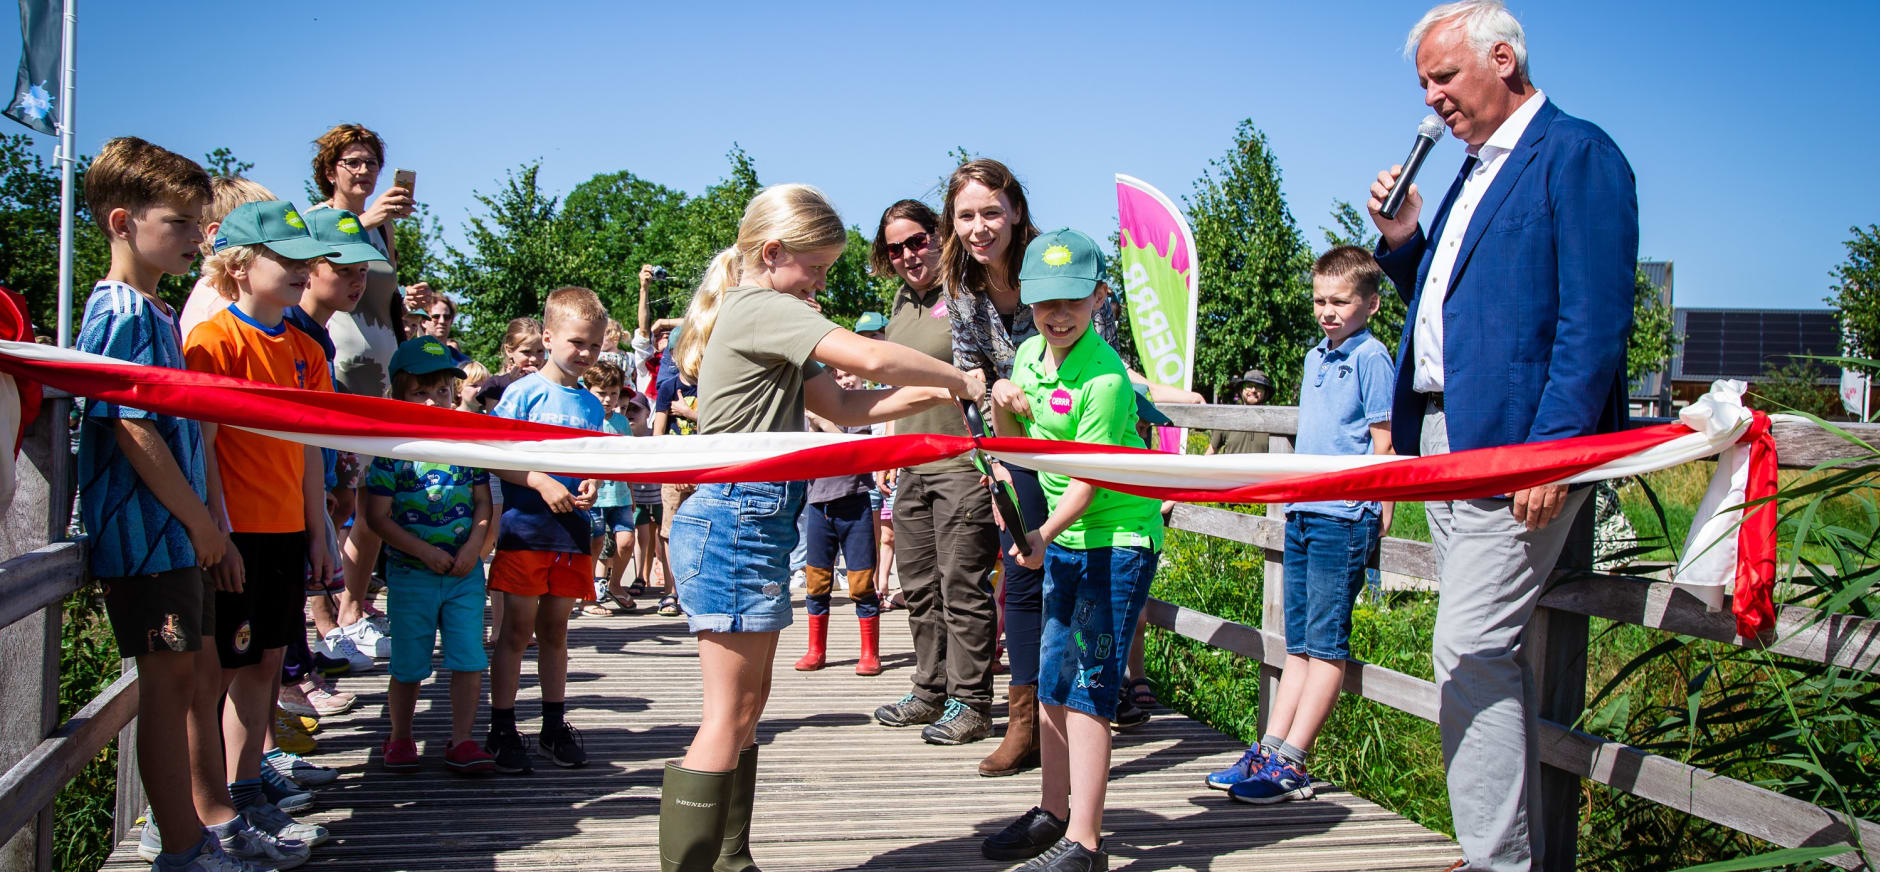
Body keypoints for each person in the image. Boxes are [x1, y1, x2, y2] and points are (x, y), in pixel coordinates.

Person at [1369, 3, 1637, 868]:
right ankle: (1505, 850)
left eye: (1443, 78)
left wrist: (1553, 448)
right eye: (1424, 86)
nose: (1432, 101)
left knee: (1468, 648)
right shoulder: (1474, 169)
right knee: (1490, 655)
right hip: (1449, 441)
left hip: (1517, 447)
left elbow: (1592, 320)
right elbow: (1462, 303)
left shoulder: (1576, 154)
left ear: (1503, 58)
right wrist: (1405, 242)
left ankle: (1498, 862)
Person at [654, 183, 982, 872]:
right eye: (818, 268)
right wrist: (962, 378)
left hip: (758, 519)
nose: (823, 283)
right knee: (725, 717)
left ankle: (730, 861)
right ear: (773, 254)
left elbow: (841, 401)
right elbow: (865, 358)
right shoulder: (763, 307)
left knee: (745, 711)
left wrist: (941, 388)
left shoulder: (764, 310)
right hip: (738, 517)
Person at [78, 138, 311, 872]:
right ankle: (179, 844)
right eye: (178, 222)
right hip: (150, 536)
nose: (193, 236)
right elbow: (129, 422)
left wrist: (201, 525)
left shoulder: (150, 308)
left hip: (175, 535)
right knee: (171, 687)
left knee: (188, 681)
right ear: (123, 221)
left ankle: (195, 829)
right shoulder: (119, 310)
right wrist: (203, 520)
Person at [980, 229, 1163, 872]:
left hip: (1114, 539)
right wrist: (1003, 402)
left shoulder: (1107, 378)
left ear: (1100, 299)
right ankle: (1052, 812)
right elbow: (1015, 449)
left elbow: (1086, 479)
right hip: (1059, 536)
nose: (1057, 316)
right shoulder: (1029, 355)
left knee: (1088, 683)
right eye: (1044, 303)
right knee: (1054, 676)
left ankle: (1084, 843)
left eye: (1073, 302)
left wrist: (1038, 537)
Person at [1206, 246, 1395, 804]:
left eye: (1340, 301)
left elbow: (1382, 441)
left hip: (1345, 513)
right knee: (1297, 644)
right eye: (1319, 300)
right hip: (1304, 509)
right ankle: (1268, 748)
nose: (1327, 310)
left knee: (1326, 644)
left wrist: (1383, 507)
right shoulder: (1315, 357)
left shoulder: (1372, 357)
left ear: (1371, 304)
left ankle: (1293, 760)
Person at [184, 198, 342, 856]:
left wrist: (320, 532)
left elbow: (309, 449)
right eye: (287, 258)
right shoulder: (212, 342)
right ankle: (208, 810)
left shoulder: (306, 348)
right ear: (241, 267)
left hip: (285, 530)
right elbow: (205, 445)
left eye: (308, 258)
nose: (304, 269)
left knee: (268, 663)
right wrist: (217, 534)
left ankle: (248, 796)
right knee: (223, 668)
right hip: (236, 535)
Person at [862, 198, 1005, 750]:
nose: (907, 255)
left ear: (938, 234)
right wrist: (888, 454)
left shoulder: (969, 292)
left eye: (917, 240)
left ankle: (971, 703)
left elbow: (995, 370)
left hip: (962, 461)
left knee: (962, 585)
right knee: (918, 585)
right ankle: (930, 688)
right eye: (895, 248)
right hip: (910, 461)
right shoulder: (900, 304)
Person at [309, 123, 424, 664]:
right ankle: (324, 618)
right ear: (331, 169)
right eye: (352, 162)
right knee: (337, 498)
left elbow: (381, 295)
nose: (364, 172)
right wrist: (363, 221)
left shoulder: (381, 231)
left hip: (381, 372)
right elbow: (314, 280)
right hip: (337, 366)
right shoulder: (316, 220)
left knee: (373, 494)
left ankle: (353, 607)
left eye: (371, 163)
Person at [484, 287, 609, 774]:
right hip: (526, 529)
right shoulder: (523, 392)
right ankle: (502, 725)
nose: (586, 354)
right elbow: (497, 456)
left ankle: (554, 725)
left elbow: (592, 461)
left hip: (571, 532)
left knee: (556, 631)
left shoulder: (591, 405)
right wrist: (537, 480)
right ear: (550, 336)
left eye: (595, 345)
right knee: (515, 631)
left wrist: (593, 483)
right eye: (578, 342)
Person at [366, 337, 497, 775]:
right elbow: (377, 517)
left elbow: (483, 503)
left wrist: (474, 549)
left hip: (464, 573)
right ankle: (400, 736)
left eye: (441, 391)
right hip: (410, 574)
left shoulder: (465, 444)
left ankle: (462, 739)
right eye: (419, 392)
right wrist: (423, 551)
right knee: (408, 663)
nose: (431, 401)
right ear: (398, 395)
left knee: (469, 658)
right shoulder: (390, 452)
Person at [796, 368, 884, 675]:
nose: (844, 380)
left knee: (861, 584)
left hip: (854, 504)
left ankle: (869, 653)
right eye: (838, 375)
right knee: (816, 583)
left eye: (849, 374)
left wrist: (823, 422)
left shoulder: (859, 410)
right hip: (819, 506)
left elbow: (856, 451)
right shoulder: (808, 412)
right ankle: (815, 650)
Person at [584, 359, 640, 612]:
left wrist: (630, 490)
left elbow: (627, 460)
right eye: (601, 394)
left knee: (627, 540)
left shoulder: (622, 423)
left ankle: (615, 584)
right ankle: (588, 594)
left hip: (619, 493)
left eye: (613, 394)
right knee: (594, 542)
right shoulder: (584, 419)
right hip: (594, 493)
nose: (607, 400)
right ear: (588, 391)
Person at [1206, 370, 1273, 456]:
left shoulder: (1272, 421)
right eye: (1249, 386)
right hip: (1230, 469)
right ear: (1241, 390)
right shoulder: (1228, 417)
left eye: (1259, 387)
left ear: (1266, 393)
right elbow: (1211, 451)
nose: (1253, 390)